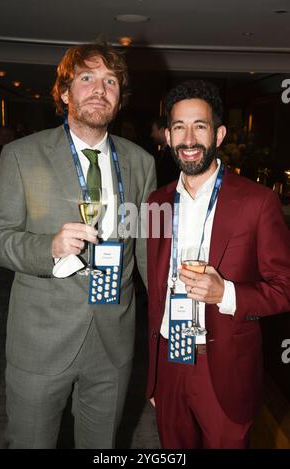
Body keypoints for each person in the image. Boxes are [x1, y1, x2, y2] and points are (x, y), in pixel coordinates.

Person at [0, 42, 156, 448]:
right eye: (87, 79)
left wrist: (173, 315)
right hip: (41, 340)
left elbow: (148, 250)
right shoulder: (20, 156)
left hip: (114, 340)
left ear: (119, 97)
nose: (100, 89)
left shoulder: (140, 162)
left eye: (110, 81)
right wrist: (49, 246)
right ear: (65, 92)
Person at [146, 79, 290, 449]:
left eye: (200, 126)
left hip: (223, 368)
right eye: (179, 126)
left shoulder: (257, 203)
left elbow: (285, 288)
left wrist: (225, 293)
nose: (189, 139)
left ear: (219, 134)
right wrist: (155, 376)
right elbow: (155, 289)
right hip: (169, 360)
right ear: (167, 135)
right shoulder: (156, 203)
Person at [150, 116, 180, 187]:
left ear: (163, 131)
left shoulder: (173, 155)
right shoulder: (162, 153)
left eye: (153, 131)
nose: (151, 135)